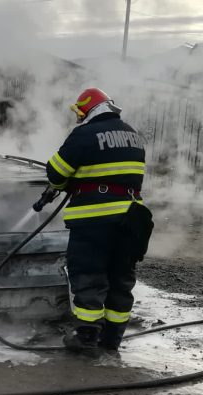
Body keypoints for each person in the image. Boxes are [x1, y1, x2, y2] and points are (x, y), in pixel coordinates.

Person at [45, 87, 153, 358]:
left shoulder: (84, 134)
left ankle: (86, 339)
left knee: (89, 277)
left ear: (88, 110)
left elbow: (56, 173)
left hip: (95, 220)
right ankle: (111, 341)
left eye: (80, 112)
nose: (78, 118)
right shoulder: (133, 135)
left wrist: (70, 182)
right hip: (131, 220)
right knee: (120, 280)